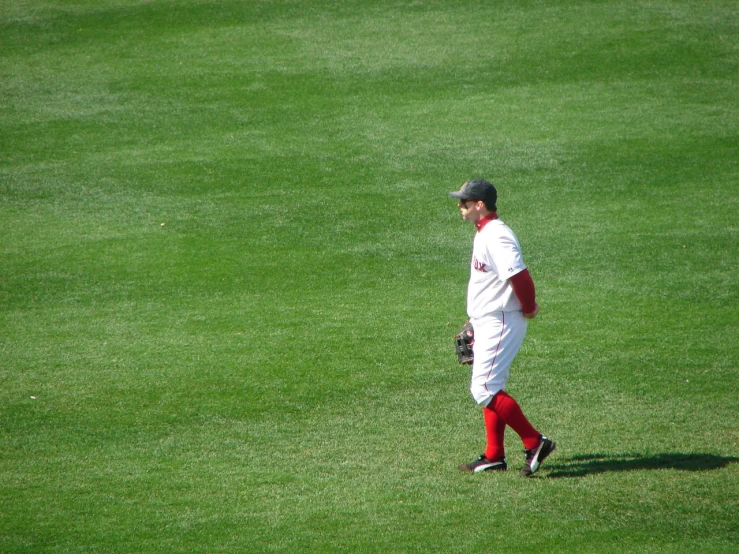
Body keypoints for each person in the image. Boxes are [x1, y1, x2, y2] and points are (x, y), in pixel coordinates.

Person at [449, 179, 556, 477]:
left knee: (483, 388)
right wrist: (474, 319)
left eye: (465, 202)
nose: (460, 206)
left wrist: (529, 306)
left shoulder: (497, 236)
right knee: (490, 385)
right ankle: (495, 455)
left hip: (503, 319)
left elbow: (519, 276)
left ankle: (535, 442)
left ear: (480, 205)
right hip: (488, 318)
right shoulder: (484, 233)